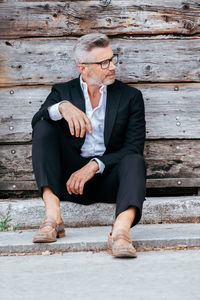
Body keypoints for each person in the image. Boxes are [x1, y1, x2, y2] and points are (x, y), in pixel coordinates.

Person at [31, 33, 146, 258]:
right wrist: (62, 107)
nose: (112, 66)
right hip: (68, 183)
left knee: (134, 160)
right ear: (83, 68)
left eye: (112, 59)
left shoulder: (130, 96)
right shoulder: (63, 92)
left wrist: (95, 165)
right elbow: (37, 120)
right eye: (104, 63)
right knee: (44, 127)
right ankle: (53, 218)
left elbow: (133, 147)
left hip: (109, 179)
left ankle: (120, 233)